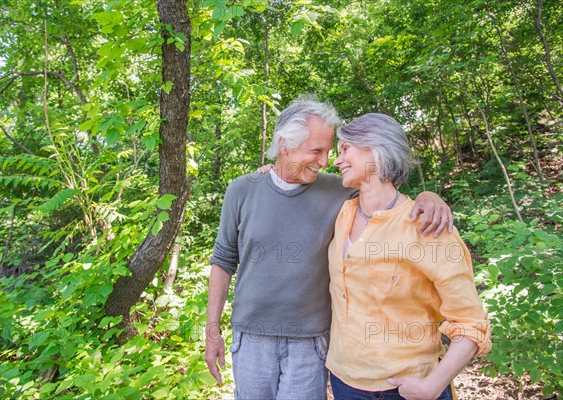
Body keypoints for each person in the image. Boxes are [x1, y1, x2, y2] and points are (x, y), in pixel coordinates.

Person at [205, 98, 454, 400]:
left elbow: (389, 195)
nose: (325, 161)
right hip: (252, 337)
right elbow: (223, 261)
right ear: (285, 144)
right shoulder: (242, 190)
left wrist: (429, 197)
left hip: (311, 342)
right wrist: (212, 331)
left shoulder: (339, 189)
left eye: (329, 151)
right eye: (316, 150)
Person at [327, 113, 491, 400]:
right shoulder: (341, 213)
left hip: (405, 388)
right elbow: (291, 183)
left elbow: (471, 323)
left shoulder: (427, 226)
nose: (337, 160)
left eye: (345, 149)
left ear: (376, 148)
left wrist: (432, 386)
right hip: (344, 381)